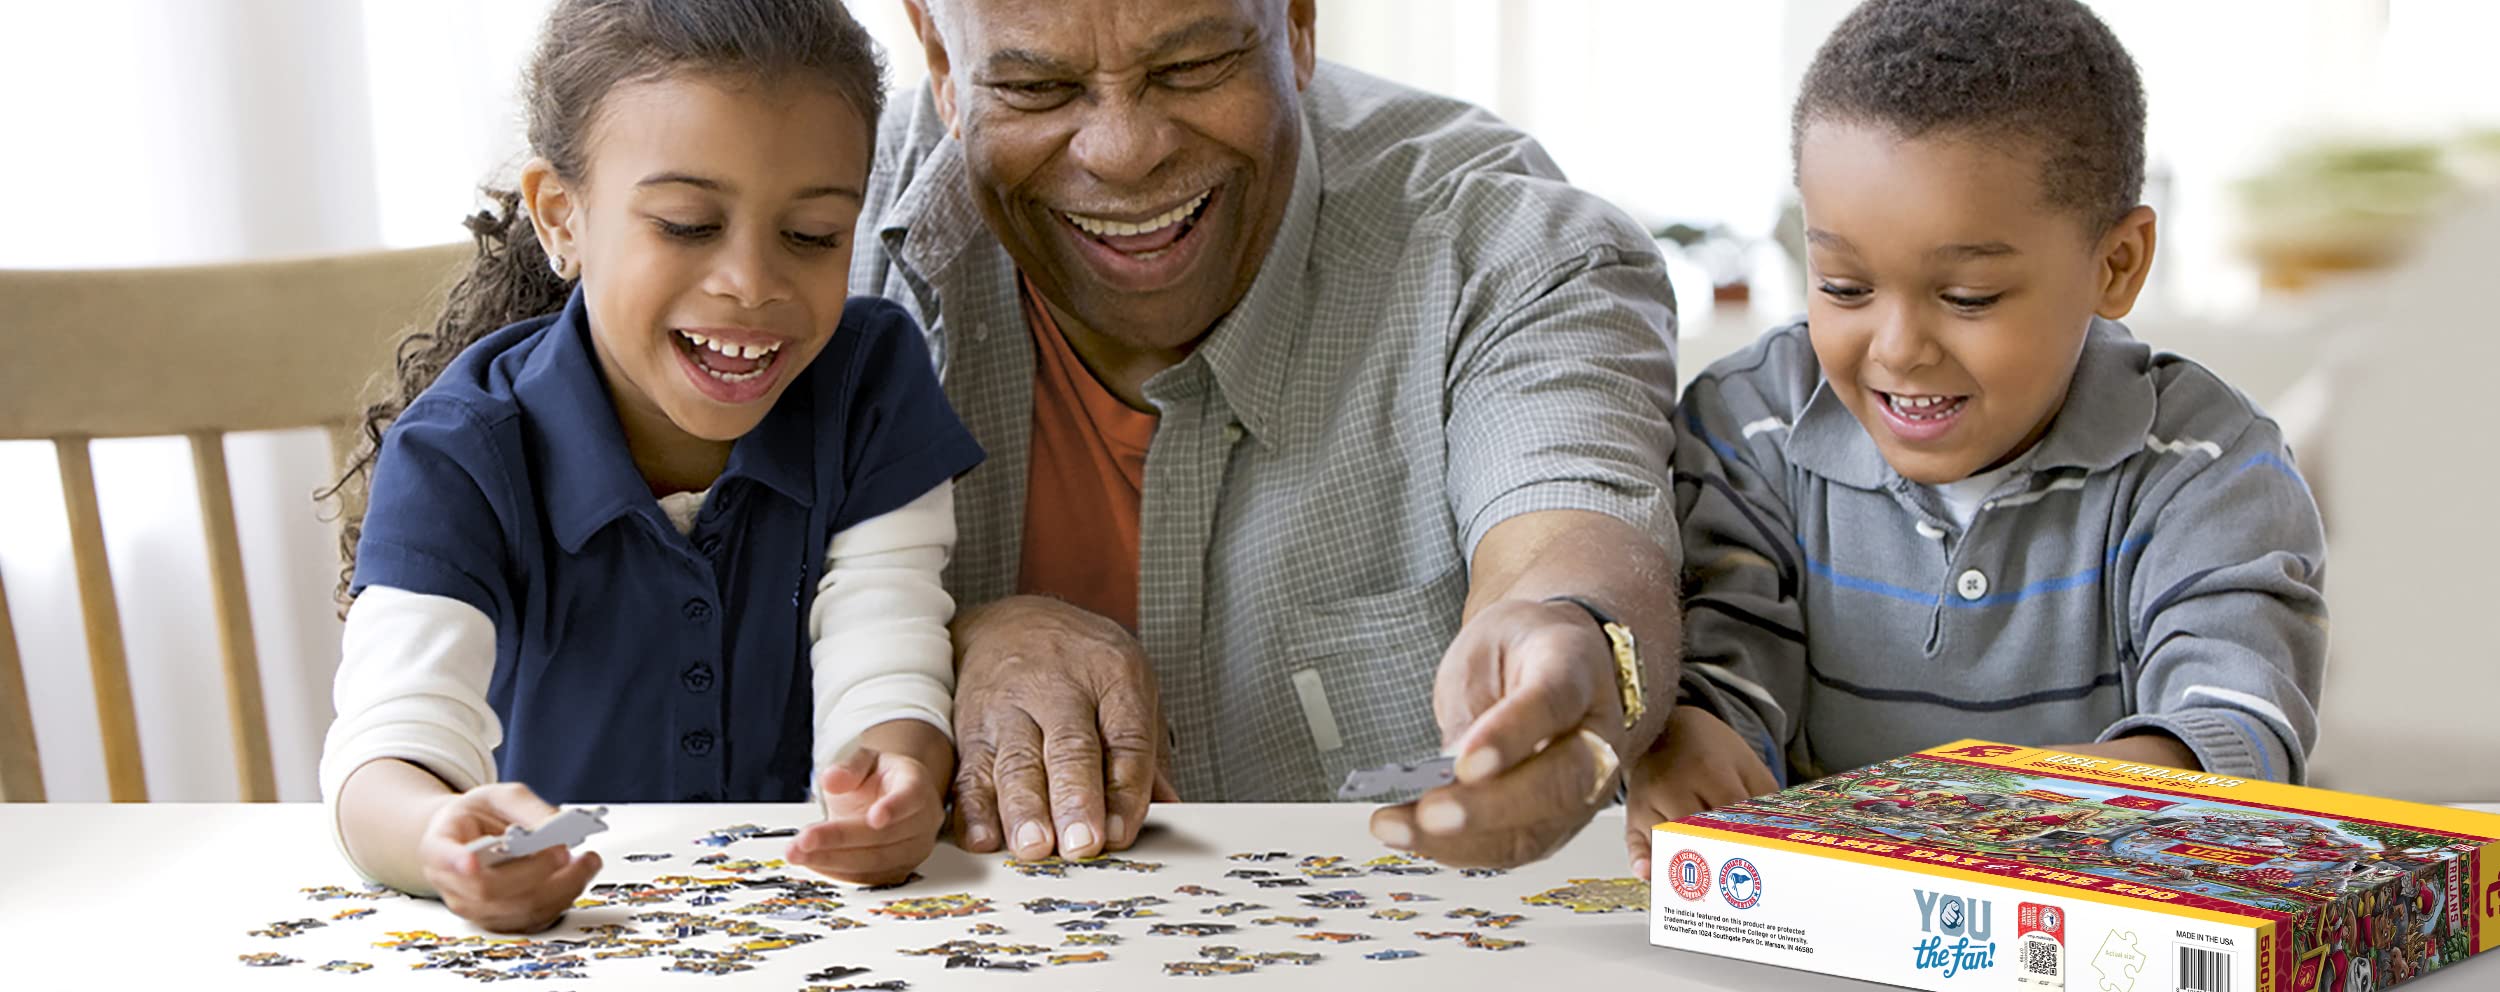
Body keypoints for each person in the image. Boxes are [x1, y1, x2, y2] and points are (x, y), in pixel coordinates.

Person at [856, 0, 1683, 869]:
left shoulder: (1503, 244)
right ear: (941, 61)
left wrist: (1577, 644)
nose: (1124, 151)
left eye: (1192, 67)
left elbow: (1568, 538)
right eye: (1035, 86)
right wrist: (938, 642)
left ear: (1296, 23)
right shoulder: (796, 223)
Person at [316, 0, 983, 932]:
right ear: (561, 217)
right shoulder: (460, 451)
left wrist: (894, 778)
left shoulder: (871, 384)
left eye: (814, 235)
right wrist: (438, 837)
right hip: (565, 939)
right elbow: (386, 750)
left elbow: (886, 647)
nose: (751, 281)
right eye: (684, 223)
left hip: (813, 929)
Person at [1626, 0, 2328, 877]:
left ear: (2116, 265)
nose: (1897, 348)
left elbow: (2234, 712)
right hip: (1812, 925)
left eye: (1968, 298)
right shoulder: (1748, 425)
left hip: (2089, 915)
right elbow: (1728, 648)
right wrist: (1691, 733)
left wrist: (2059, 811)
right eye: (1844, 286)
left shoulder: (2207, 465)